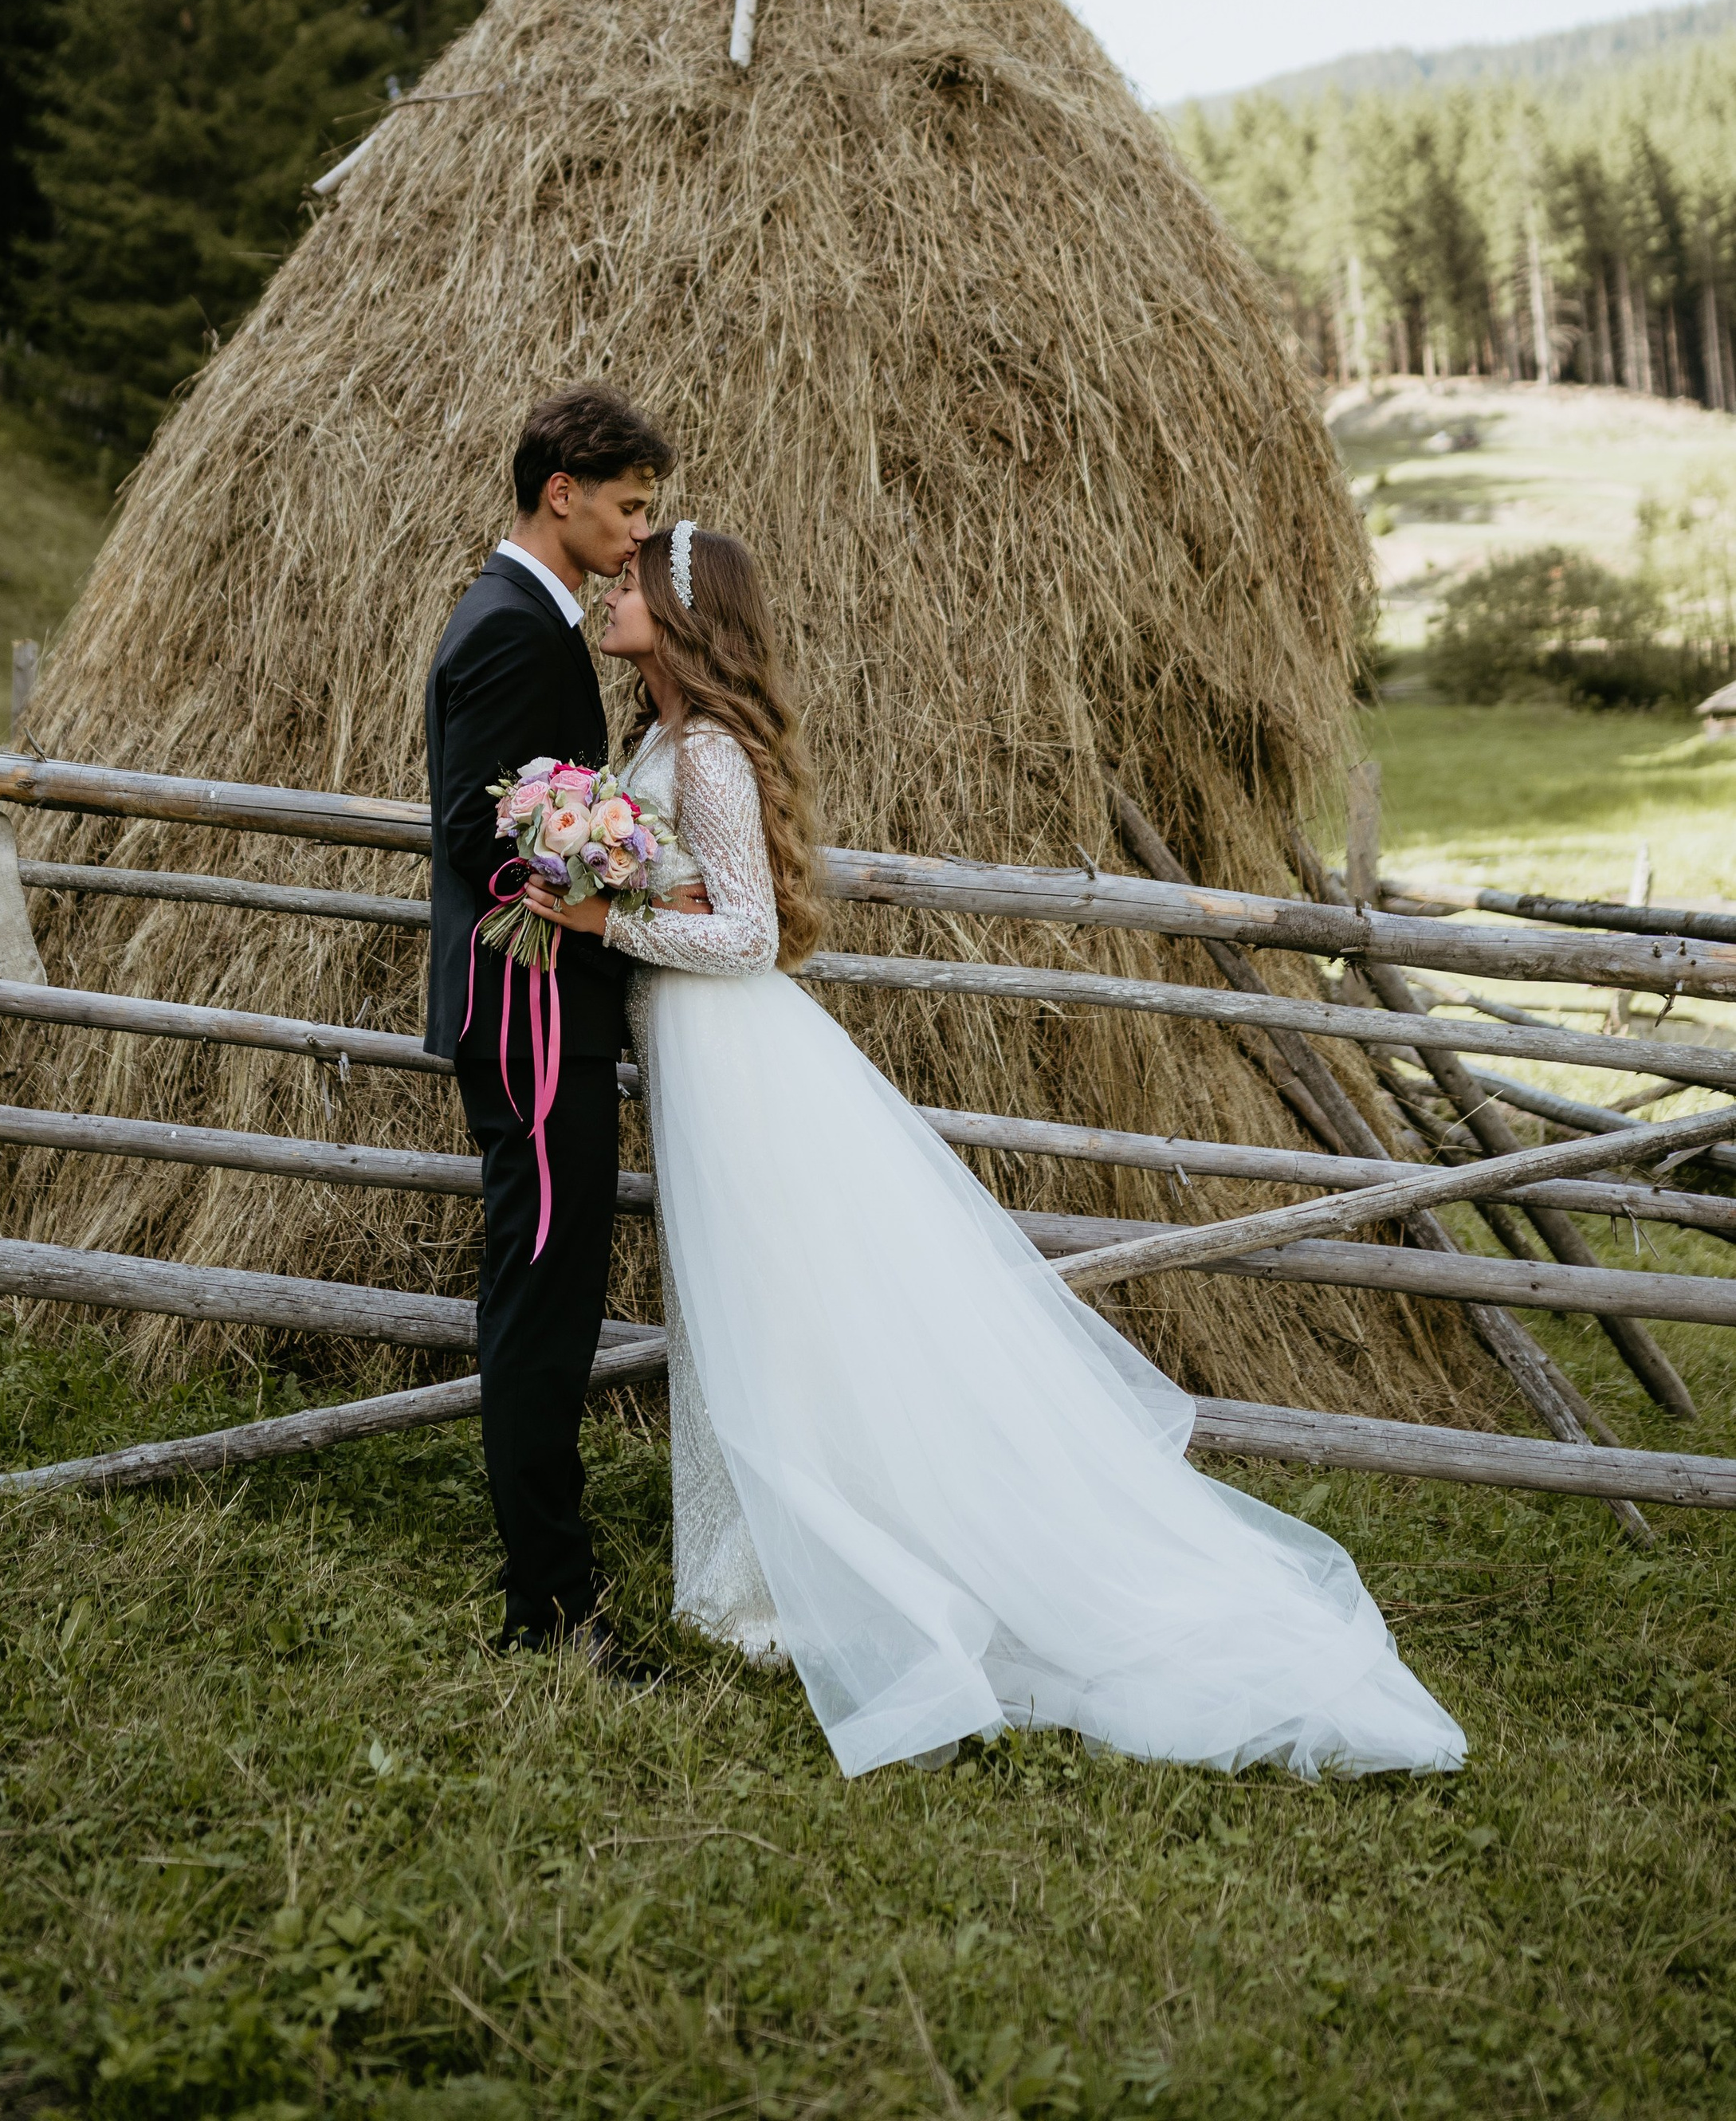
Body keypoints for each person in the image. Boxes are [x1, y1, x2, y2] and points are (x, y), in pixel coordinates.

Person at [523, 520, 1467, 1781]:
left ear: (688, 615)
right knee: (739, 1309)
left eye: (634, 584)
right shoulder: (663, 735)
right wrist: (626, 889)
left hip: (732, 1052)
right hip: (695, 1053)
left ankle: (803, 1570)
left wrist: (606, 919)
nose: (612, 591)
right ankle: (742, 1563)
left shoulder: (708, 752)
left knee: (774, 1309)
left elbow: (747, 937)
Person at [425, 383, 681, 1673]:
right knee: (542, 1304)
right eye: (628, 510)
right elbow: (476, 835)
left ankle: (552, 1585)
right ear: (561, 494)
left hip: (549, 1013)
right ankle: (553, 1609)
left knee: (554, 1296)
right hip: (528, 1015)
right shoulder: (512, 629)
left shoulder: (533, 619)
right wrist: (602, 874)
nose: (640, 535)